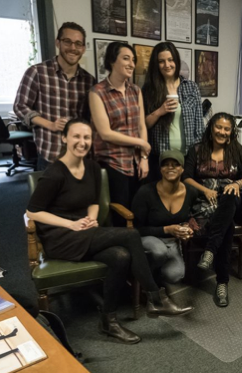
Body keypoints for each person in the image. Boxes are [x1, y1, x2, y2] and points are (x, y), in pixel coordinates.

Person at [26, 119, 195, 345]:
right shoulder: (55, 173)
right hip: (62, 239)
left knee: (121, 256)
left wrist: (92, 219)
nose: (82, 142)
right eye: (76, 136)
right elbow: (32, 212)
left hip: (86, 233)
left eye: (87, 137)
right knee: (131, 235)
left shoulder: (93, 168)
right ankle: (156, 297)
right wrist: (71, 225)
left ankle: (108, 320)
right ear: (64, 138)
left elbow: (94, 201)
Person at [183, 112, 242, 307]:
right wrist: (205, 190)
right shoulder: (196, 150)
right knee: (226, 224)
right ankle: (222, 282)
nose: (222, 132)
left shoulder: (237, 150)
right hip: (205, 200)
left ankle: (210, 250)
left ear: (231, 132)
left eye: (226, 129)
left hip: (233, 199)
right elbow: (186, 177)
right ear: (211, 128)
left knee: (230, 197)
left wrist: (237, 184)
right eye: (219, 127)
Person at [13, 22, 96, 171]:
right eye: (67, 42)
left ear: (83, 48)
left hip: (79, 156)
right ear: (58, 43)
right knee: (48, 194)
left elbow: (90, 118)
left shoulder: (89, 81)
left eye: (78, 44)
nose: (73, 48)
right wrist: (50, 124)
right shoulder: (37, 72)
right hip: (50, 155)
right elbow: (20, 106)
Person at [89, 42, 151, 226]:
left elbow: (141, 125)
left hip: (136, 162)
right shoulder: (97, 92)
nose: (131, 64)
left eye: (133, 60)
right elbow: (105, 133)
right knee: (118, 216)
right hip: (112, 163)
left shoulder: (135, 90)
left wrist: (144, 156)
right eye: (126, 58)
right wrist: (141, 143)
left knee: (138, 212)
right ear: (111, 61)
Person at [132, 149, 197, 306]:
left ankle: (150, 274)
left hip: (172, 242)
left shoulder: (191, 192)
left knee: (175, 275)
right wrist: (167, 230)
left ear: (182, 169)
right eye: (165, 165)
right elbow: (135, 230)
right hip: (147, 238)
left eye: (175, 165)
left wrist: (189, 229)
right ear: (160, 169)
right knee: (158, 251)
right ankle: (150, 288)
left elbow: (194, 218)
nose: (170, 168)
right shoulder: (145, 192)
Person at [142, 42, 204, 181]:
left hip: (187, 157)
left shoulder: (191, 87)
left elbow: (199, 125)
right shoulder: (149, 90)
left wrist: (199, 155)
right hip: (161, 158)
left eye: (170, 60)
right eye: (161, 61)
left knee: (186, 197)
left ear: (176, 61)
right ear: (156, 64)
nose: (167, 65)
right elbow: (143, 125)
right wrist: (160, 111)